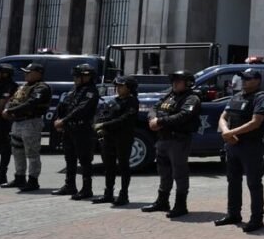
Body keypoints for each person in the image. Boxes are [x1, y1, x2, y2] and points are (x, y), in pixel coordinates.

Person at [215, 67, 264, 232]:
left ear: (257, 81)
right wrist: (226, 131)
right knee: (233, 181)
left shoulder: (261, 98)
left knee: (254, 183)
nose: (244, 81)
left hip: (251, 146)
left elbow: (256, 122)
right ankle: (233, 214)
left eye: (248, 78)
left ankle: (257, 219)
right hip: (233, 145)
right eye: (243, 78)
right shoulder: (237, 96)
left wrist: (232, 132)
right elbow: (223, 117)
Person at [142, 71, 201, 219]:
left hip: (178, 140)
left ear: (188, 83)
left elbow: (183, 115)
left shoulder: (192, 98)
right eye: (173, 81)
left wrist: (160, 121)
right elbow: (154, 108)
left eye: (178, 81)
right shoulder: (170, 96)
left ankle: (181, 205)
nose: (175, 83)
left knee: (179, 173)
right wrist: (152, 119)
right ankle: (162, 202)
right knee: (164, 172)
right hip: (163, 139)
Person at [1, 63, 53, 192]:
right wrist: (8, 108)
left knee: (32, 152)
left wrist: (11, 111)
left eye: (29, 72)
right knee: (17, 151)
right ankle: (19, 177)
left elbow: (31, 103)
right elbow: (13, 99)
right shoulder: (24, 86)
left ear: (38, 73)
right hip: (18, 122)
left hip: (31, 122)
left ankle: (33, 180)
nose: (26, 74)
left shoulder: (41, 87)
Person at [52, 64, 100, 200]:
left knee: (85, 160)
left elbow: (81, 109)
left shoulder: (91, 91)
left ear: (87, 77)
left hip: (82, 129)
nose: (75, 79)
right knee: (69, 158)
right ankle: (70, 185)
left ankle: (87, 189)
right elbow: (64, 105)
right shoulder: (74, 90)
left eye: (78, 76)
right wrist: (59, 120)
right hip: (69, 128)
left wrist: (64, 121)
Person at [92, 75, 139, 206]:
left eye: (121, 86)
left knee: (123, 166)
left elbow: (124, 120)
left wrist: (104, 125)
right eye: (117, 86)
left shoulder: (132, 102)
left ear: (129, 88)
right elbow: (103, 115)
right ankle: (108, 193)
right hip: (109, 137)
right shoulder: (114, 100)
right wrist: (99, 126)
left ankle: (124, 195)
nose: (118, 88)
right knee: (108, 166)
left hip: (123, 138)